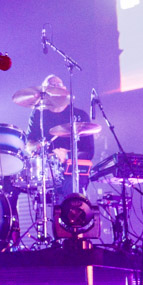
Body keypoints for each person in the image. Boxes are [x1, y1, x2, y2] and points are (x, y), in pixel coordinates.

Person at [26, 74, 96, 204]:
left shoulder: (79, 115)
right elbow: (28, 144)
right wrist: (37, 146)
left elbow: (89, 152)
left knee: (68, 195)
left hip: (73, 171)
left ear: (65, 89)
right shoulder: (38, 114)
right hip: (46, 171)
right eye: (51, 85)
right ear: (44, 92)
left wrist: (68, 155)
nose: (55, 87)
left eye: (58, 84)